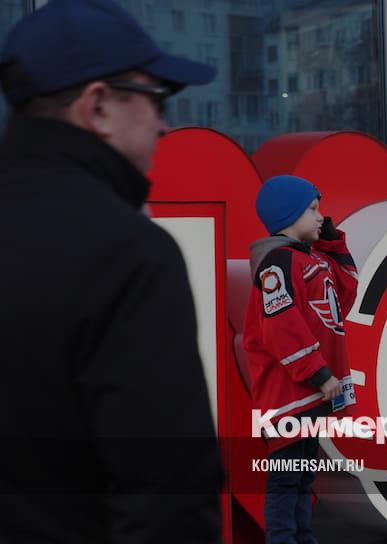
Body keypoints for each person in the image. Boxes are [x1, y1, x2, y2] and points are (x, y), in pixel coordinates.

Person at [0, 1, 223, 543]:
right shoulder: (128, 254)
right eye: (157, 99)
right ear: (98, 105)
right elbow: (168, 497)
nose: (165, 125)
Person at [243, 175, 358, 544]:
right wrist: (319, 374)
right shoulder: (276, 264)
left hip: (308, 394)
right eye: (312, 209)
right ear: (288, 215)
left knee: (304, 475)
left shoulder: (312, 258)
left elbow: (345, 292)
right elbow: (281, 325)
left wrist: (333, 243)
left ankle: (303, 538)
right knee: (286, 477)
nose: (321, 216)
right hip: (287, 394)